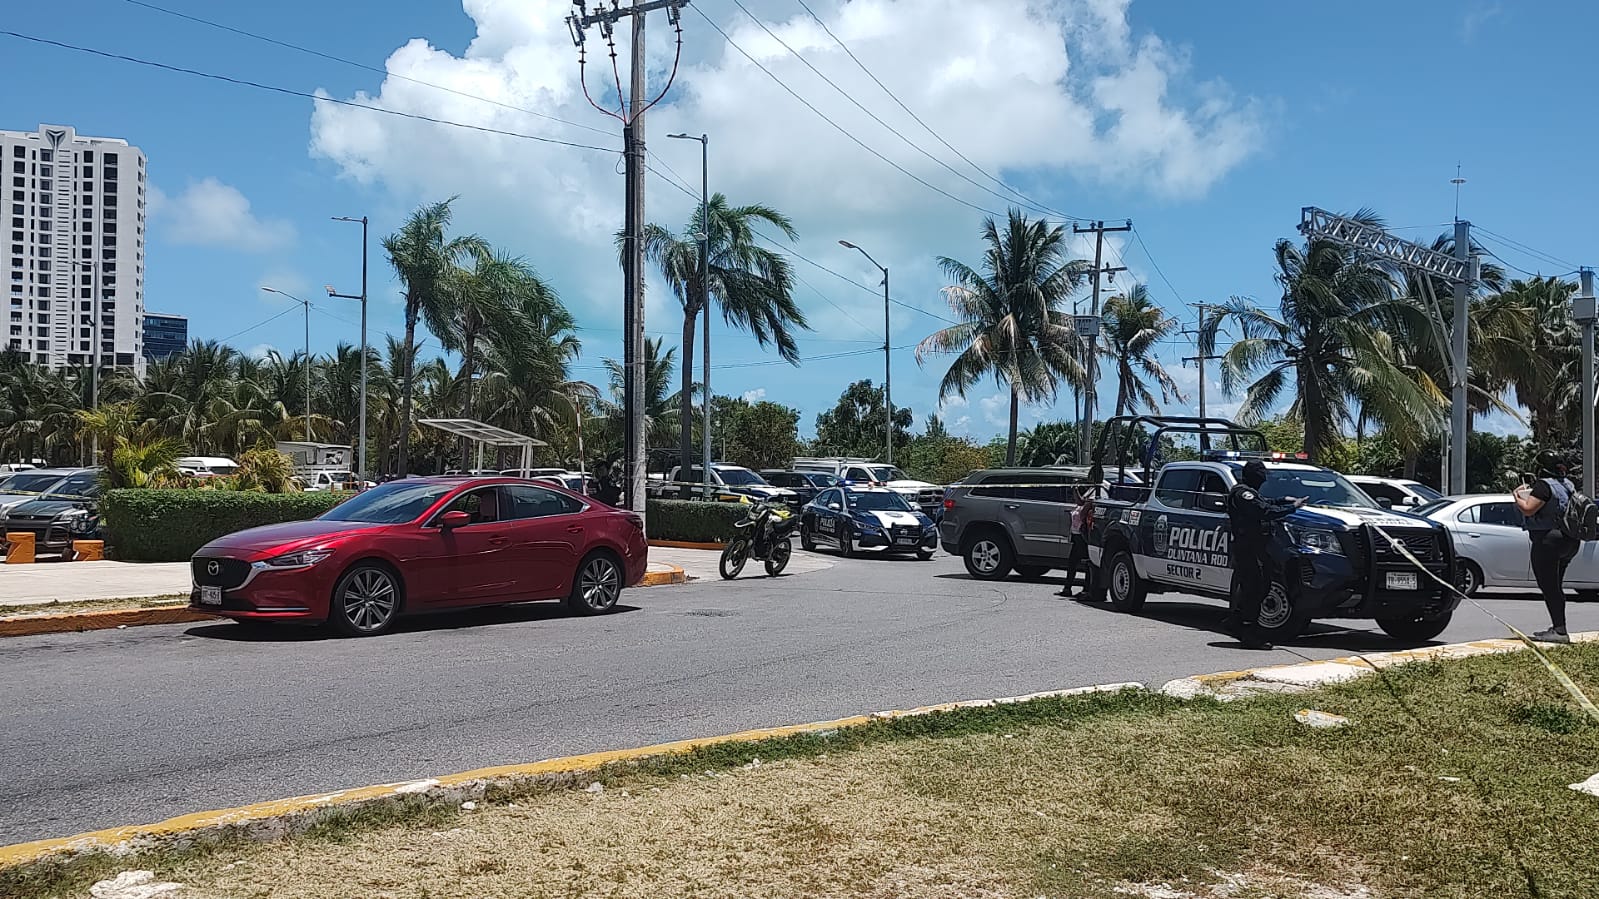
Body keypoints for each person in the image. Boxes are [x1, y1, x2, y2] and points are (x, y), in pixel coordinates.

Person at [1226, 460, 1305, 649]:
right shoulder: (1242, 493)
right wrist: (1293, 507)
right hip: (1248, 549)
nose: (1263, 479)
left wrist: (1282, 500)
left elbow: (1265, 503)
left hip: (1256, 548)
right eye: (1261, 475)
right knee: (1254, 589)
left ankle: (1237, 622)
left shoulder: (1251, 494)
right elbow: (1264, 511)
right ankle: (1248, 632)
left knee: (1259, 587)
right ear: (1254, 475)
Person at [1513, 450, 1578, 643]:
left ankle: (1559, 630)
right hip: (1570, 540)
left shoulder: (1543, 486)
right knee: (1556, 586)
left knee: (1549, 587)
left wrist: (1517, 496)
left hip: (1548, 541)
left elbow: (1528, 509)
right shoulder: (1568, 485)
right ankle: (1558, 626)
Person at [1057, 487, 1095, 598]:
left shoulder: (1099, 490)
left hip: (1083, 533)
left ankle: (1086, 589)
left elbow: (1087, 506)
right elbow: (1080, 501)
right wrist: (1075, 490)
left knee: (1087, 562)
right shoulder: (1091, 489)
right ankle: (1067, 588)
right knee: (1072, 562)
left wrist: (1082, 518)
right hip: (1077, 532)